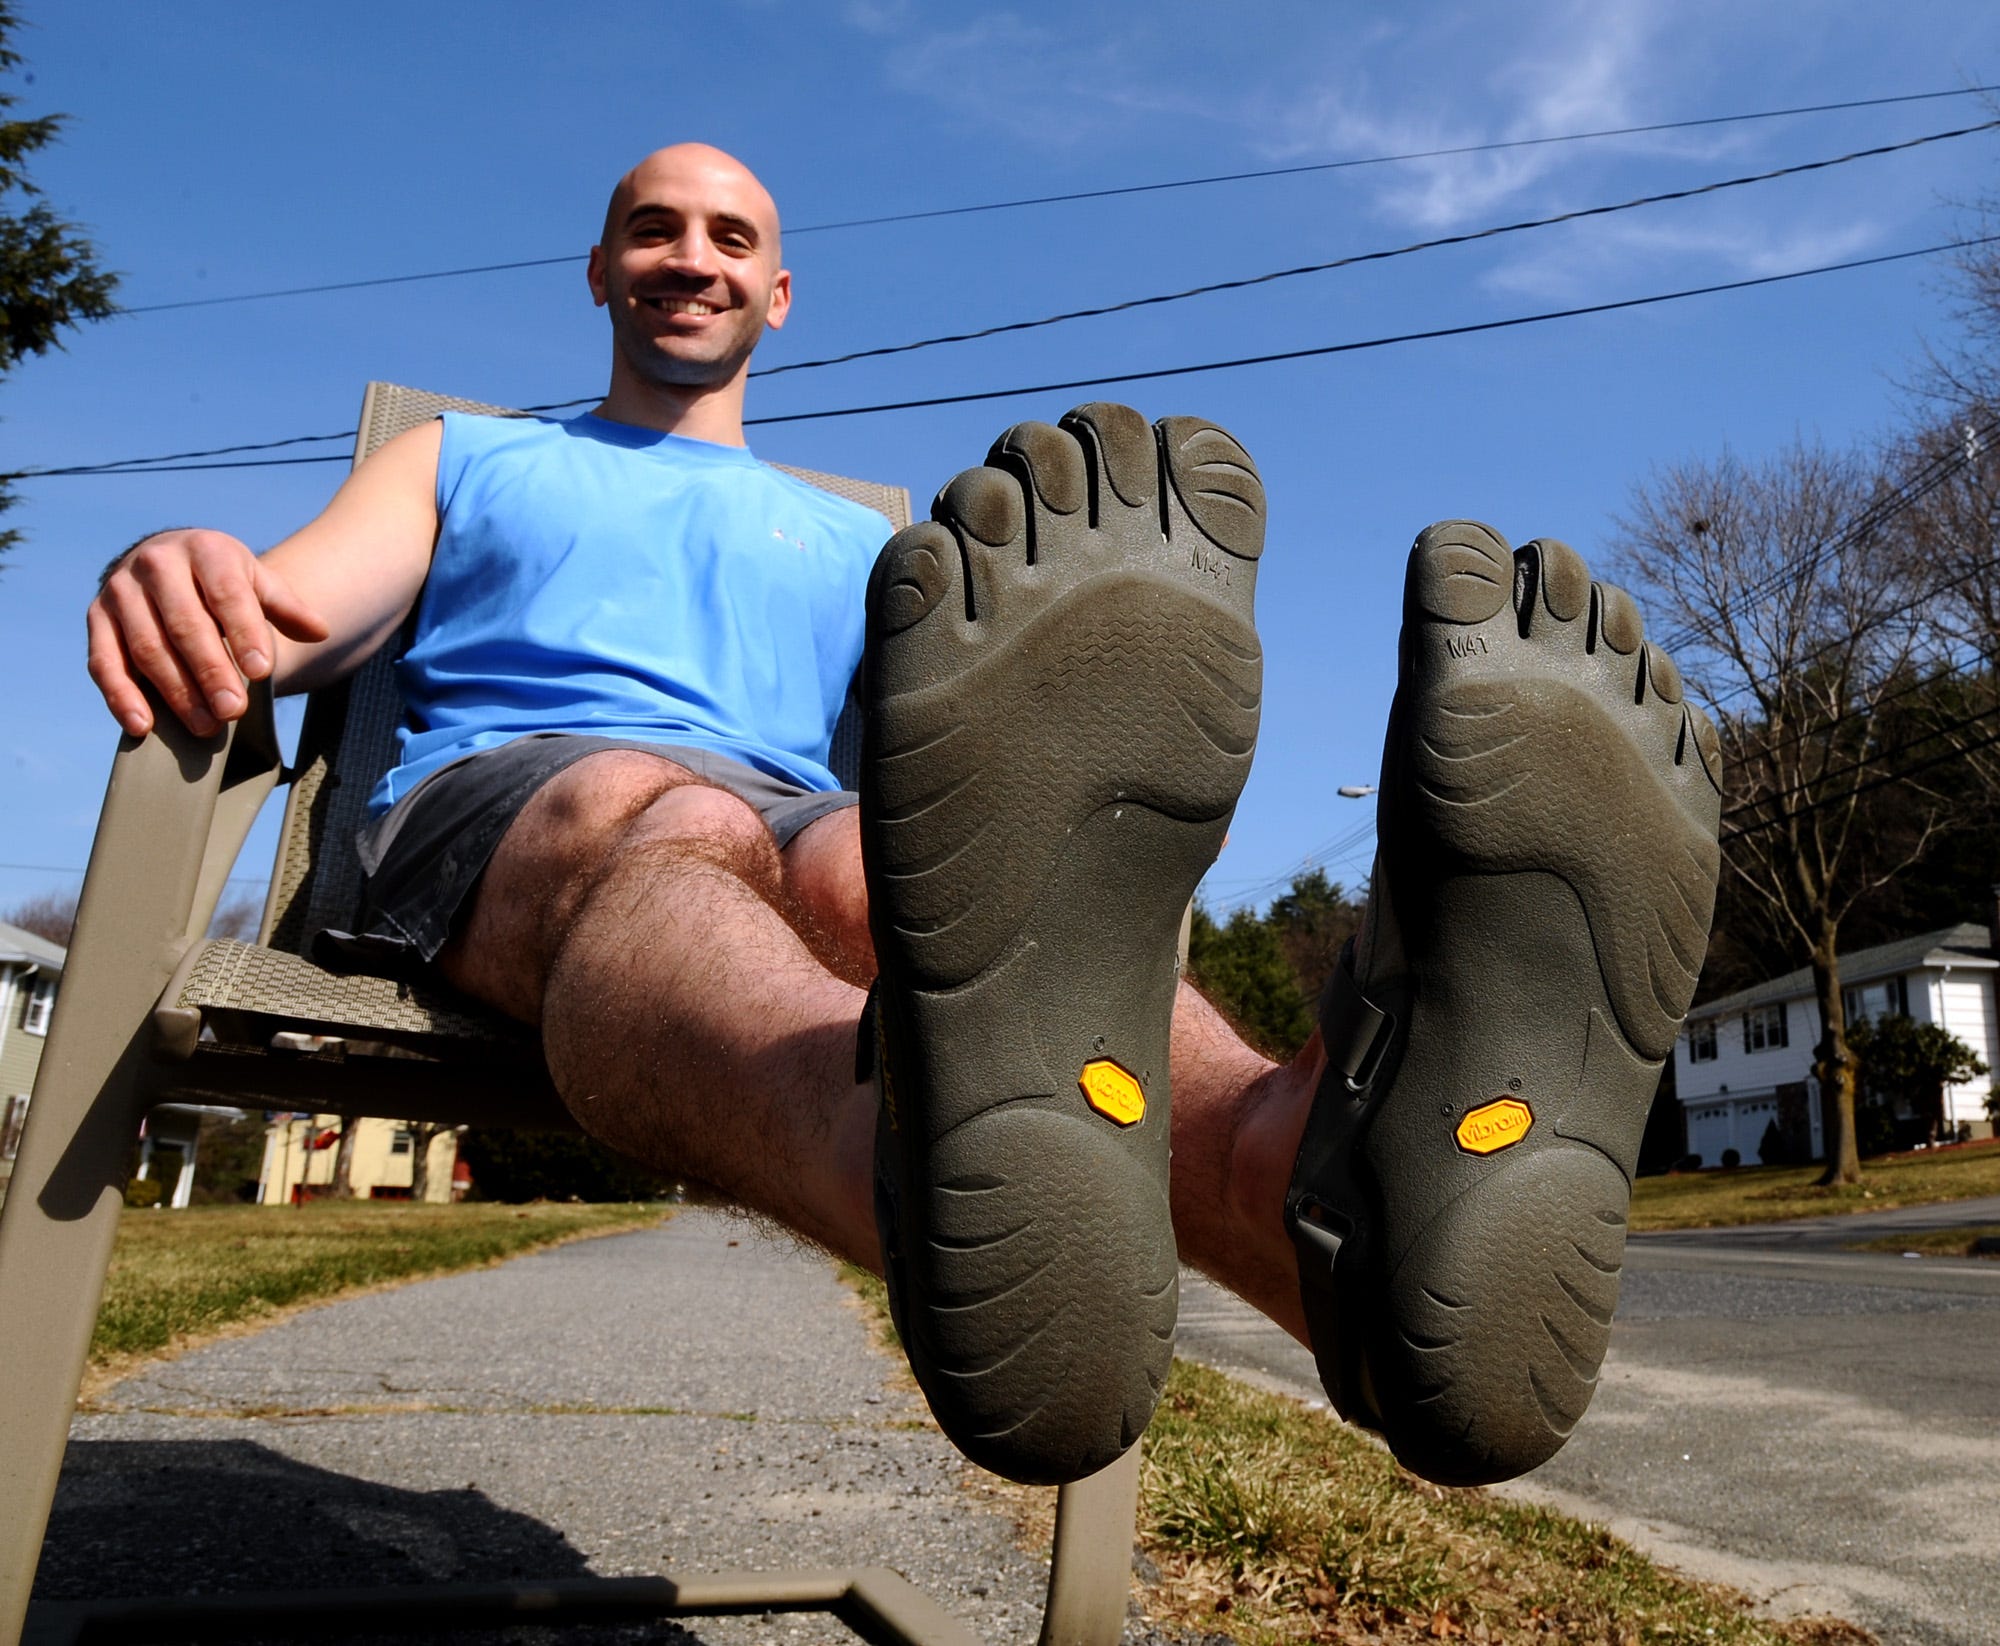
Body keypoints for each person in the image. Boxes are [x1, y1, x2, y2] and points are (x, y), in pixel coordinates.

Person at [86, 144, 1722, 1491]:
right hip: (506, 806)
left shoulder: (845, 541)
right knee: (644, 809)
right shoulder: (476, 459)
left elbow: (974, 815)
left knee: (923, 870)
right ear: (598, 271)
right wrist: (185, 571)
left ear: (776, 294)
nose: (690, 257)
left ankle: (1316, 1187)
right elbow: (281, 615)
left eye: (730, 236)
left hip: (798, 816)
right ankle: (932, 1164)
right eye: (652, 230)